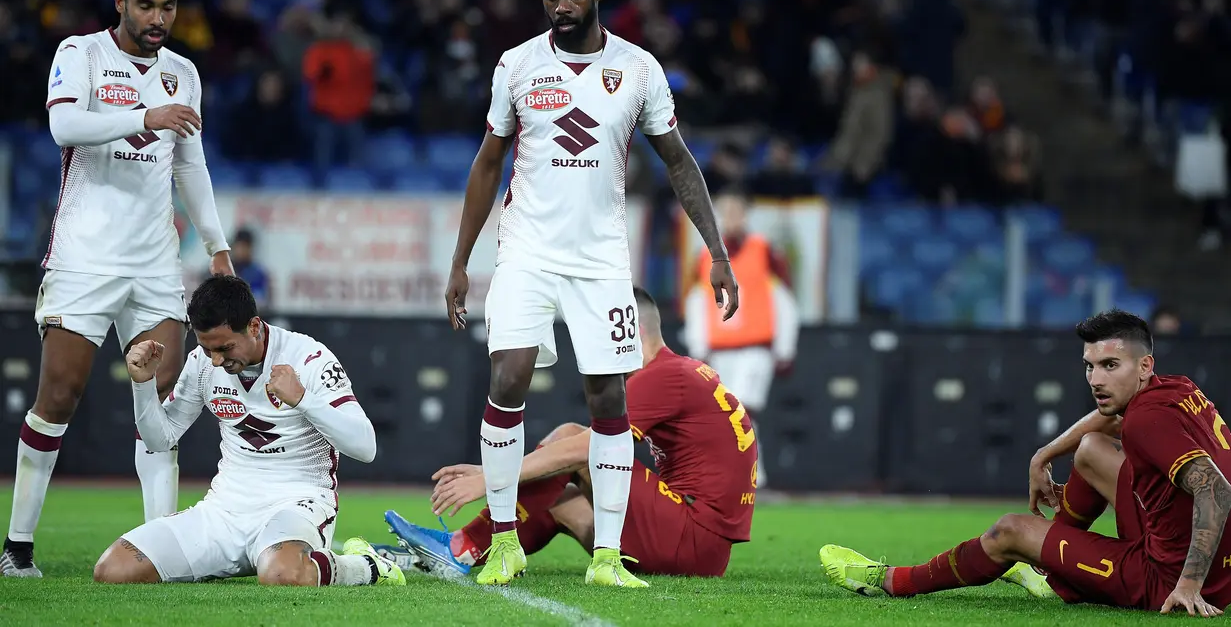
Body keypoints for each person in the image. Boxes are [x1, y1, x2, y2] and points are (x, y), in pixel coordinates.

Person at [443, 0, 738, 588]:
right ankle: (501, 543)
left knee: (608, 396)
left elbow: (679, 161)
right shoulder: (516, 65)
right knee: (509, 373)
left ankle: (607, 557)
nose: (562, 6)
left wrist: (717, 253)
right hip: (525, 250)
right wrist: (461, 260)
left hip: (602, 259)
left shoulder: (637, 69)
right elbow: (488, 162)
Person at [3, 0, 233, 578]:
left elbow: (190, 166)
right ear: (121, 3)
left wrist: (217, 248)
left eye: (169, 6)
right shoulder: (79, 54)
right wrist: (142, 117)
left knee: (158, 400)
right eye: (147, 5)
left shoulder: (183, 73)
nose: (159, 18)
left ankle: (159, 547)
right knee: (59, 395)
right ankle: (17, 548)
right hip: (84, 256)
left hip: (156, 262)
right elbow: (63, 127)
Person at [821, 310, 1231, 616]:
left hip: (1166, 580)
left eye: (1110, 366)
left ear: (1144, 365)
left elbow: (1215, 489)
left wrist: (1189, 586)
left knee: (1008, 531)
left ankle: (891, 580)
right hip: (1218, 567)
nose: (1096, 380)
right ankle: (1055, 570)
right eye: (1090, 366)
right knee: (1089, 448)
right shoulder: (1176, 387)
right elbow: (1110, 416)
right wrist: (1045, 454)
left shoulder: (1146, 419)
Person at [386, 287, 756, 580]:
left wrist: (491, 477)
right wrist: (498, 472)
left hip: (692, 538)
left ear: (632, 331)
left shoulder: (661, 376)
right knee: (559, 498)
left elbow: (585, 448)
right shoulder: (682, 371)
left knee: (571, 439)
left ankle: (460, 546)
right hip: (703, 547)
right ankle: (459, 553)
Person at [91, 275, 403, 587]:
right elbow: (159, 440)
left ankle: (369, 566)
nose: (216, 360)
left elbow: (366, 447)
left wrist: (304, 400)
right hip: (224, 509)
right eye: (207, 348)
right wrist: (142, 384)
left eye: (225, 347)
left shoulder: (309, 358)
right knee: (113, 569)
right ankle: (258, 556)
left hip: (297, 502)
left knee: (282, 575)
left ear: (254, 327)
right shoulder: (202, 363)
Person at [684, 187, 798, 489]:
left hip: (755, 347)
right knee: (723, 414)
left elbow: (784, 300)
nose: (731, 219)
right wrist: (698, 346)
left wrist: (785, 347)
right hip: (719, 349)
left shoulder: (764, 250)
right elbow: (697, 301)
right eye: (725, 212)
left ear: (748, 215)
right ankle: (731, 474)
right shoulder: (704, 256)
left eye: (737, 212)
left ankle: (752, 474)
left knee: (744, 408)